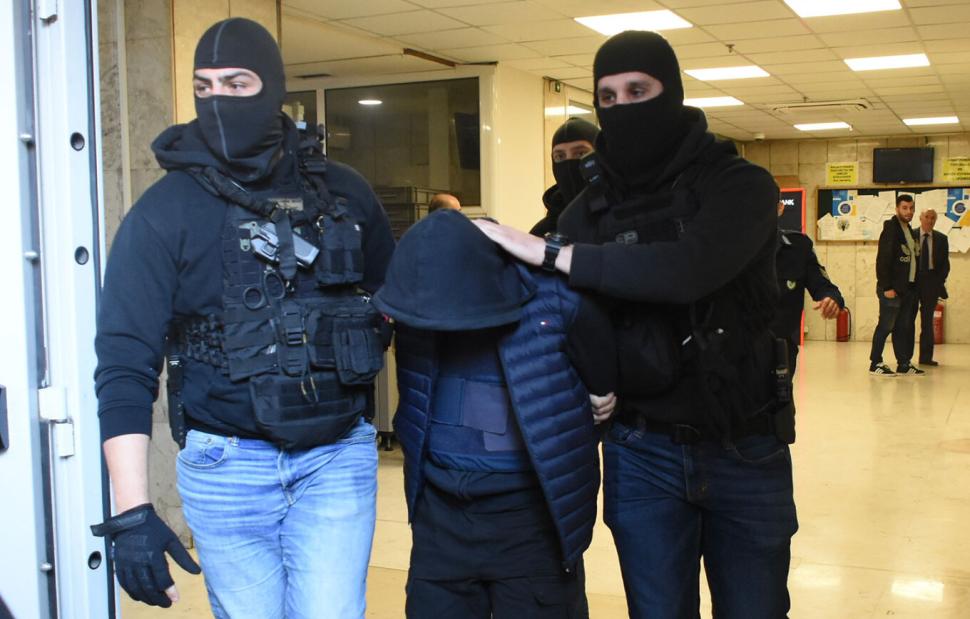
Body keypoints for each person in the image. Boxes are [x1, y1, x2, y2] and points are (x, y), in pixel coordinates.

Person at [475, 30, 796, 619]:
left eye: (638, 90)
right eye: (608, 96)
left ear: (671, 91)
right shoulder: (590, 208)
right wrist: (586, 382)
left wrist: (554, 253)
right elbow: (558, 311)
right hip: (642, 450)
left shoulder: (739, 185)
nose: (622, 106)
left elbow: (689, 269)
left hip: (745, 450)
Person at [91, 18, 395, 618]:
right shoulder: (164, 210)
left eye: (237, 83)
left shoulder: (344, 192)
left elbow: (396, 299)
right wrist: (131, 513)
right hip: (225, 463)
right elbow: (124, 362)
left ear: (273, 87)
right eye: (203, 87)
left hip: (335, 455)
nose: (219, 100)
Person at [372, 209, 617, 618]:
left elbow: (603, 387)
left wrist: (593, 401)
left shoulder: (558, 301)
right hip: (440, 518)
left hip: (531, 521)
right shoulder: (415, 302)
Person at [772, 201, 844, 375]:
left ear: (780, 208)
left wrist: (831, 298)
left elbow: (822, 285)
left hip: (781, 350)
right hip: (738, 350)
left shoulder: (798, 247)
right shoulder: (731, 248)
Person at [870, 195, 922, 376]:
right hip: (891, 289)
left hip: (907, 289)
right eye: (905, 208)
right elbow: (883, 259)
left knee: (902, 328)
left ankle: (903, 364)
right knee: (886, 326)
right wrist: (886, 287)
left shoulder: (910, 231)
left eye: (911, 208)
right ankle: (875, 362)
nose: (909, 212)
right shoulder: (891, 228)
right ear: (897, 209)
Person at [531, 117, 599, 237]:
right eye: (560, 156)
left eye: (581, 153)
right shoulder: (543, 232)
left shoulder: (623, 218)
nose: (569, 164)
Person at [916, 208, 950, 366]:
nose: (929, 220)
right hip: (913, 282)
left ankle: (925, 358)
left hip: (931, 282)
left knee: (927, 322)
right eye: (927, 217)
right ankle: (904, 358)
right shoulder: (911, 235)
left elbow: (945, 265)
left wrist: (938, 282)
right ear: (920, 218)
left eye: (933, 218)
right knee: (907, 320)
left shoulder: (942, 239)